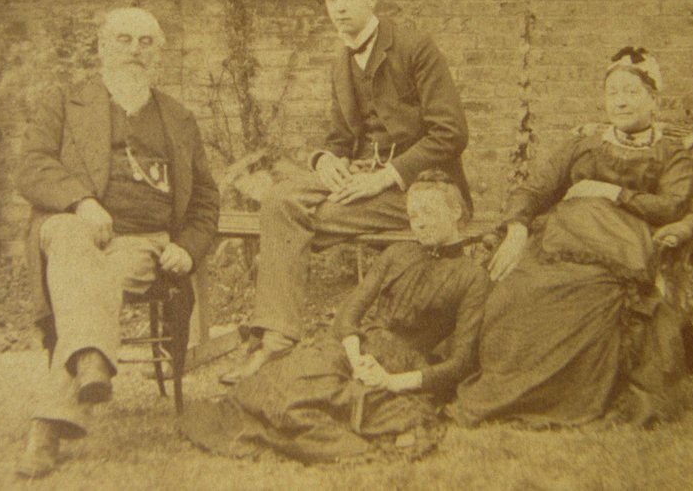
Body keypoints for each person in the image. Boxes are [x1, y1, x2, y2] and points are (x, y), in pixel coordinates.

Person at [222, 0, 471, 384]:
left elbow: (451, 133)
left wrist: (386, 175)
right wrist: (326, 161)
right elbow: (339, 137)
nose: (340, 7)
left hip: (423, 190)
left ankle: (273, 342)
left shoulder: (414, 47)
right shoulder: (341, 62)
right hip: (360, 181)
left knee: (292, 218)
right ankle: (277, 338)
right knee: (280, 198)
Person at [449, 47, 693, 428]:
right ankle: (507, 387)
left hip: (617, 252)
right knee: (514, 291)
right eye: (613, 92)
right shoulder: (582, 145)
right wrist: (518, 227)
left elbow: (672, 206)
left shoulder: (671, 154)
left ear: (654, 99)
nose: (620, 101)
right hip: (557, 244)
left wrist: (613, 193)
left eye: (631, 92)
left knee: (585, 299)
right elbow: (535, 190)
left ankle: (566, 396)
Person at [14, 7, 220, 478]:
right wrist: (82, 202)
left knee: (95, 278)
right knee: (71, 242)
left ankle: (54, 418)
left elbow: (207, 196)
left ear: (160, 54)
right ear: (103, 48)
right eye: (123, 40)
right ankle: (90, 360)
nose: (134, 50)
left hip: (142, 242)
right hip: (72, 226)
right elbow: (32, 166)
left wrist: (187, 246)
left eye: (146, 42)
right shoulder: (63, 102)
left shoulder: (179, 118)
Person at [182, 170, 489, 463]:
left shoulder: (472, 277)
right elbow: (348, 314)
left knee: (311, 406)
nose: (419, 224)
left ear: (456, 213)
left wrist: (392, 381)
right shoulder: (397, 254)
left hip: (401, 367)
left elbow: (461, 362)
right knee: (273, 385)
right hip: (357, 350)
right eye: (413, 215)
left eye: (429, 214)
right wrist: (355, 356)